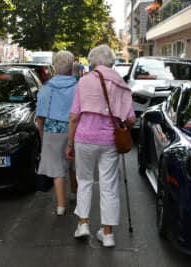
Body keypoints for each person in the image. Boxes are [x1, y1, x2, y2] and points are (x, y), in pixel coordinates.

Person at [66, 45, 135, 247]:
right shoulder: (120, 83)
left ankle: (83, 224)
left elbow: (73, 117)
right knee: (109, 186)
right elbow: (131, 119)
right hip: (109, 141)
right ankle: (108, 234)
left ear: (93, 62)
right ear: (111, 62)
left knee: (84, 180)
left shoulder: (84, 82)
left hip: (84, 139)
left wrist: (70, 144)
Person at [36, 50, 78, 216]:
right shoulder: (78, 87)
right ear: (71, 68)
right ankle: (74, 194)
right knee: (74, 165)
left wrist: (42, 137)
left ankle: (61, 206)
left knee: (56, 169)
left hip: (52, 131)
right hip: (74, 130)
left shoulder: (46, 89)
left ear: (54, 67)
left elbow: (40, 118)